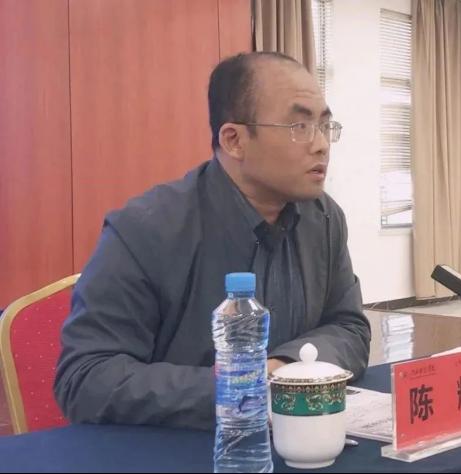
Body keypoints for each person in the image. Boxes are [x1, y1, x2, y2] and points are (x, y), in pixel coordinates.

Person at [54, 52, 371, 430]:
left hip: (295, 437)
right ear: (234, 140)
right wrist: (240, 387)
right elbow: (87, 378)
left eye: (324, 125)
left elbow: (349, 328)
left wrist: (285, 368)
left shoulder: (323, 218)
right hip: (176, 445)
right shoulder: (147, 229)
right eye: (299, 126)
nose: (321, 144)